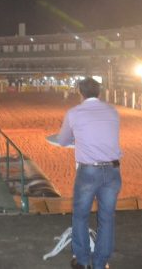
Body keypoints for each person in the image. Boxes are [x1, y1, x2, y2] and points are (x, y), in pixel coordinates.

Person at [56, 77, 122, 269]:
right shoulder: (112, 111)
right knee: (107, 218)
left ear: (80, 92)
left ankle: (82, 260)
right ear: (99, 92)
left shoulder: (74, 113)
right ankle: (101, 263)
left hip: (89, 171)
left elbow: (62, 140)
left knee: (80, 215)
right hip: (112, 170)